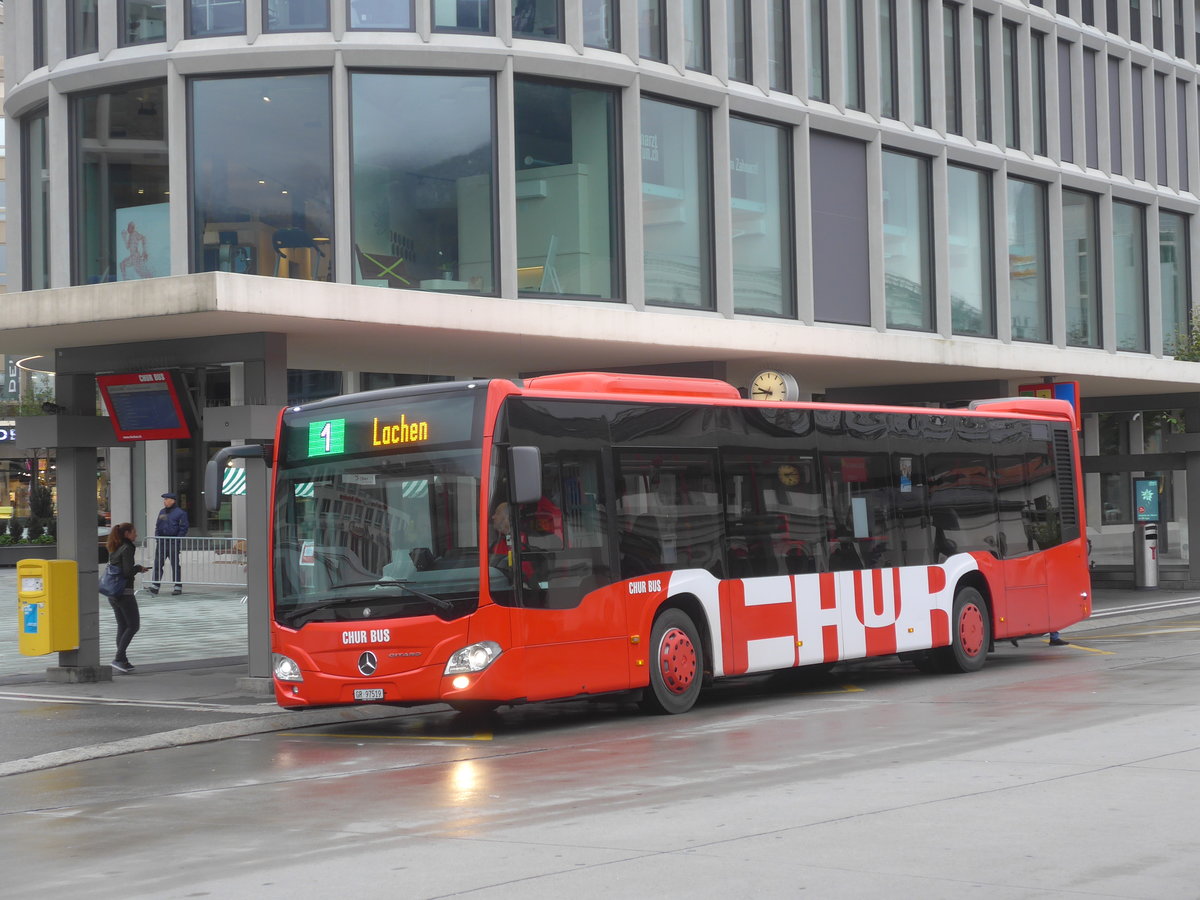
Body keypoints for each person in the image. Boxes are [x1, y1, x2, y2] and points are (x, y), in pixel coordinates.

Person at [105, 523, 149, 673]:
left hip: (113, 593)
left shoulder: (114, 547)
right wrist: (138, 568)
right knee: (133, 625)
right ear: (127, 534)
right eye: (134, 532)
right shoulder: (128, 548)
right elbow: (127, 571)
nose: (136, 535)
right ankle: (118, 658)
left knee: (122, 626)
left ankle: (122, 660)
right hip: (124, 593)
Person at [149, 492, 189, 595]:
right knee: (158, 563)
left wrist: (177, 539)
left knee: (175, 565)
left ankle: (177, 586)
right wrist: (158, 538)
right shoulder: (162, 512)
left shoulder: (180, 513)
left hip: (173, 542)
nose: (164, 501)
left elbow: (184, 528)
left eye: (166, 499)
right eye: (164, 499)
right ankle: (155, 585)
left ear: (173, 500)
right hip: (162, 542)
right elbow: (157, 526)